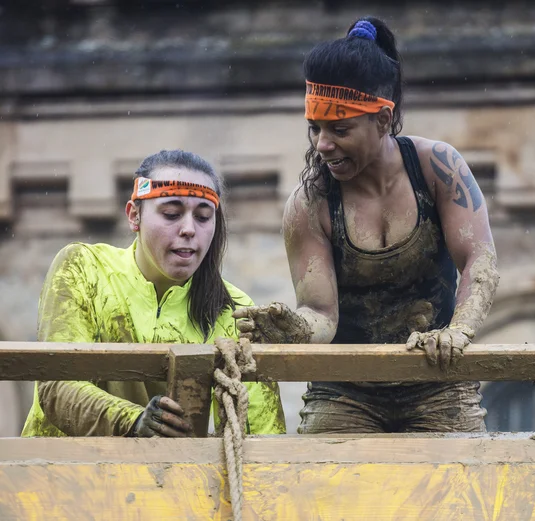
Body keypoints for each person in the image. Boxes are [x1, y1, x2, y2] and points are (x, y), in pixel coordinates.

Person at [233, 17, 500, 434]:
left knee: (462, 493)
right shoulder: (309, 204)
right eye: (315, 129)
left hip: (438, 381)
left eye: (339, 129)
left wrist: (459, 331)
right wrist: (296, 327)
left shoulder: (438, 168)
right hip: (344, 391)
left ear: (382, 119)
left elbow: (479, 259)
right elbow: (323, 314)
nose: (323, 145)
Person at [22, 150, 285, 437]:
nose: (188, 229)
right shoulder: (82, 268)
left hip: (173, 480)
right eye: (172, 214)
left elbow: (261, 431)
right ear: (134, 216)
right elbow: (58, 386)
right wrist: (132, 421)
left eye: (203, 217)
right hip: (62, 475)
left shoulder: (234, 310)